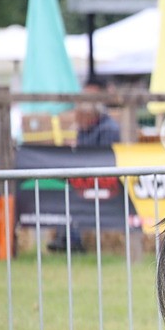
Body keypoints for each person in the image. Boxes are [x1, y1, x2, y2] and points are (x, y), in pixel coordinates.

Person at [50, 77, 120, 252]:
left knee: (75, 194)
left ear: (91, 115)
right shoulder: (85, 129)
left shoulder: (108, 129)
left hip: (103, 180)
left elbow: (103, 159)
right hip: (86, 176)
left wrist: (77, 152)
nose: (77, 119)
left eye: (81, 115)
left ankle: (71, 240)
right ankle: (66, 238)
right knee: (63, 190)